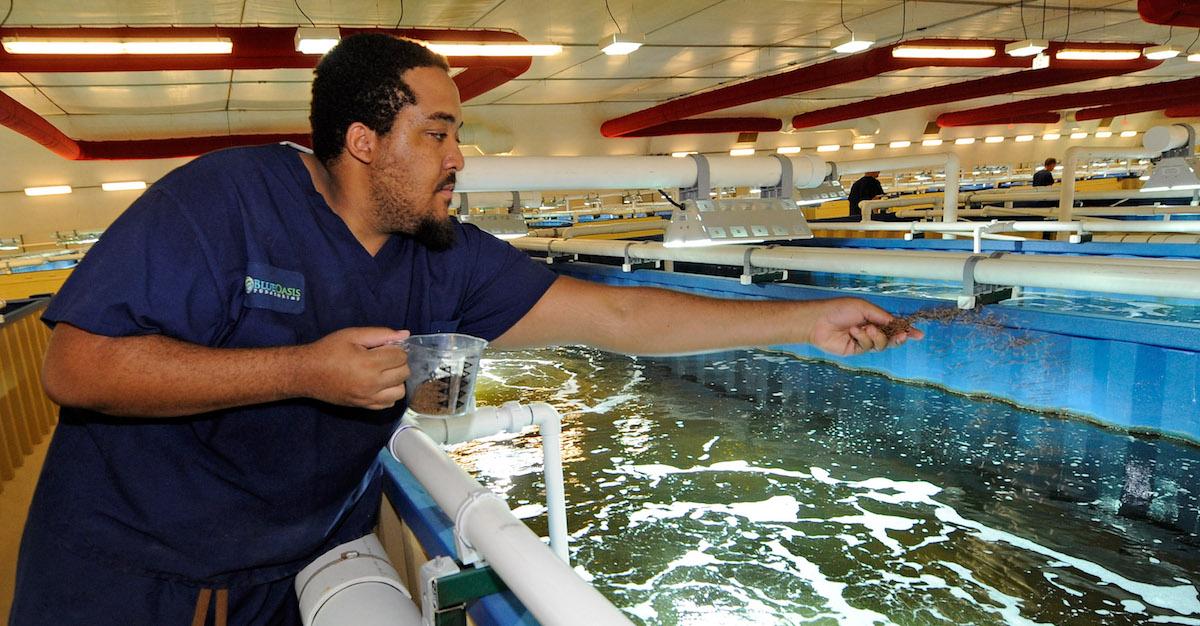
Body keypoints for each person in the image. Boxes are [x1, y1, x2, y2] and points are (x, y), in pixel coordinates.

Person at [10, 34, 922, 625]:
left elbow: (616, 312)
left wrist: (802, 319)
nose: (460, 156)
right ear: (364, 142)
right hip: (121, 576)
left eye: (460, 134)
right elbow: (77, 365)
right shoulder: (221, 203)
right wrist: (300, 371)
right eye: (439, 132)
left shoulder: (445, 254)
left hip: (276, 577)